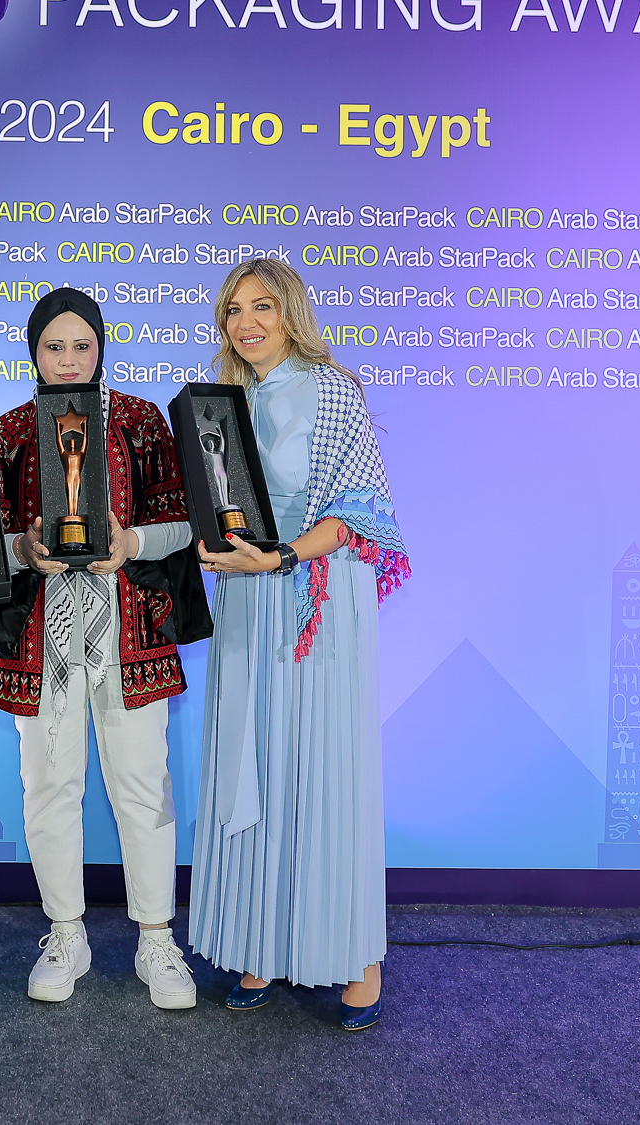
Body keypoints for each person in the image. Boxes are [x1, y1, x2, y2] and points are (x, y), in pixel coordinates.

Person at [0, 288, 211, 1009]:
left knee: (143, 786)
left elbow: (184, 520)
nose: (68, 360)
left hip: (132, 633)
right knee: (48, 786)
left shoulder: (142, 421)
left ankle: (157, 939)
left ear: (101, 348)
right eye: (54, 346)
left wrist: (132, 542)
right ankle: (66, 935)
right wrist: (23, 548)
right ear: (33, 352)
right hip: (39, 637)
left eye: (82, 345)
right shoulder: (5, 433)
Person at [187, 258, 411, 1033]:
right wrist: (218, 548)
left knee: (324, 772)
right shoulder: (223, 405)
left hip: (317, 600)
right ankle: (260, 944)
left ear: (291, 313)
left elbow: (360, 513)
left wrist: (281, 556)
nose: (246, 322)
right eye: (233, 309)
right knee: (254, 759)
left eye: (262, 306)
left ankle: (357, 959)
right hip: (248, 601)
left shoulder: (333, 390)